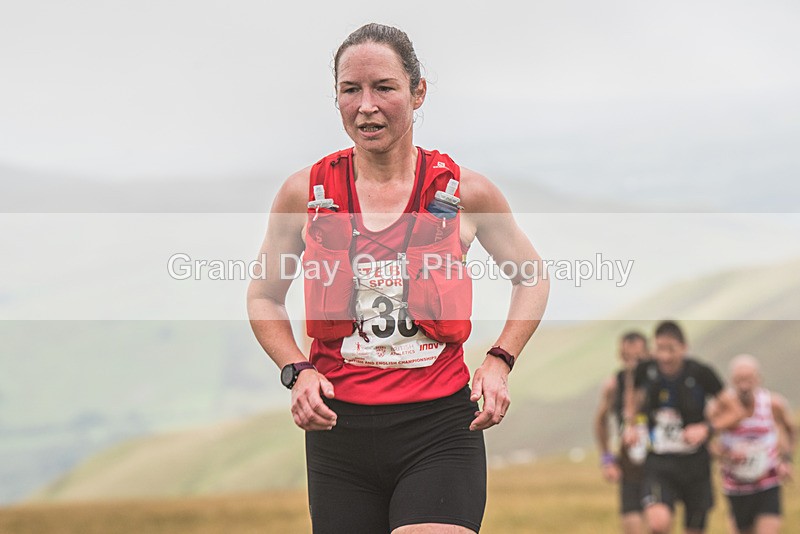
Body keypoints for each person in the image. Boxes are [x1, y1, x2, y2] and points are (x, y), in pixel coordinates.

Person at [246, 23, 549, 534]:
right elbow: (264, 297)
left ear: (418, 91)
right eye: (350, 90)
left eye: (384, 87)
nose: (367, 105)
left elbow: (532, 278)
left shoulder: (465, 192)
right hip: (339, 435)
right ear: (337, 98)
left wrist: (499, 361)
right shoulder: (305, 194)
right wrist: (296, 370)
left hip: (440, 429)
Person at [624, 320, 745, 534]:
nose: (665, 356)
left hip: (695, 463)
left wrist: (707, 429)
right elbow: (631, 398)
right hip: (659, 461)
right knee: (658, 523)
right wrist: (631, 425)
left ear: (684, 347)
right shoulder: (645, 371)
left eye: (671, 349)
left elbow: (736, 411)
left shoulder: (701, 373)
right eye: (659, 349)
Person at [710, 354, 796, 534]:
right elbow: (708, 443)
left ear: (758, 379)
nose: (744, 386)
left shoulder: (773, 404)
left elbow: (790, 429)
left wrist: (786, 460)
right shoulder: (720, 408)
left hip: (768, 483)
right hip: (736, 487)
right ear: (732, 381)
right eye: (739, 380)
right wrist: (726, 455)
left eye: (748, 379)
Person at [594, 331, 650, 534]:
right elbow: (600, 421)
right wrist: (607, 458)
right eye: (627, 357)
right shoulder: (614, 385)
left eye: (638, 357)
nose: (632, 363)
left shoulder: (657, 382)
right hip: (629, 467)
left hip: (658, 466)